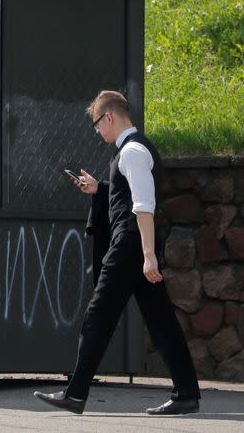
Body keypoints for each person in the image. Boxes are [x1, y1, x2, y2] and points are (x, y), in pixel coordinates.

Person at [33, 91, 200, 416]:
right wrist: (101, 189)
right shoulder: (134, 151)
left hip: (130, 247)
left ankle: (75, 394)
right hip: (137, 246)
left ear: (109, 117)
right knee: (161, 320)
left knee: (98, 316)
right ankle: (187, 394)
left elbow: (143, 205)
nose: (97, 131)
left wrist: (148, 254)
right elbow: (130, 193)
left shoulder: (132, 151)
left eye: (97, 124)